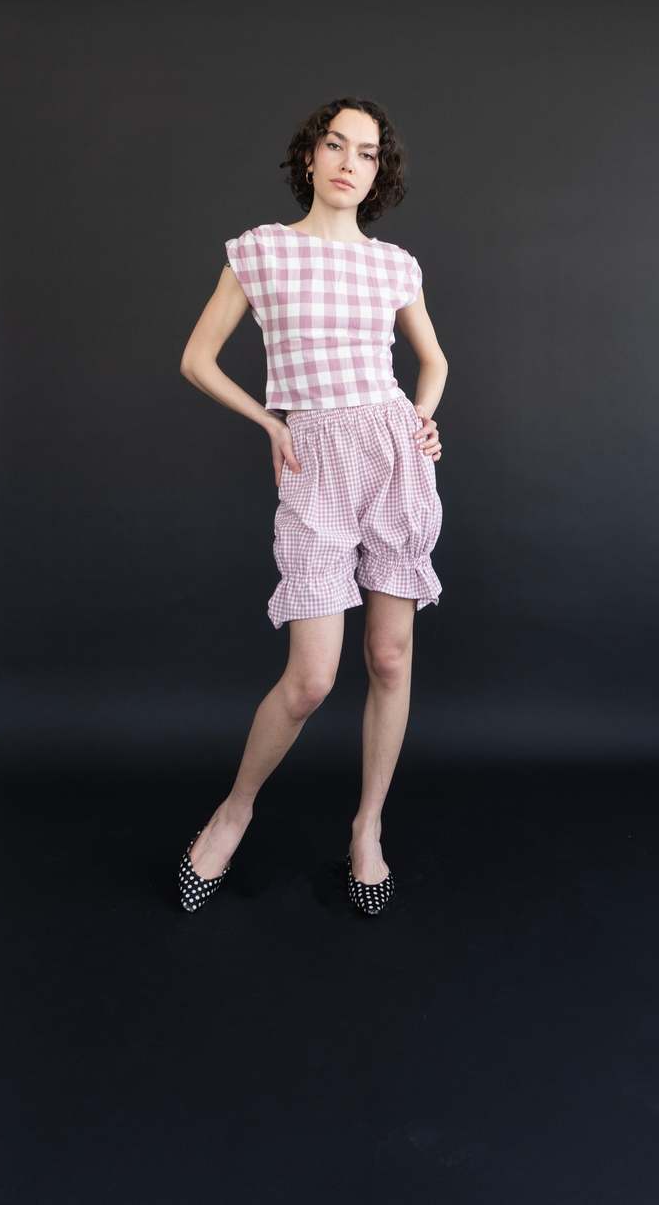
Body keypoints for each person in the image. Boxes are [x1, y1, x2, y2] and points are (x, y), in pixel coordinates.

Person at [176, 96, 448, 916]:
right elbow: (196, 358)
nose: (348, 163)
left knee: (390, 657)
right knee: (311, 678)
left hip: (393, 452)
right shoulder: (261, 250)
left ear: (377, 173)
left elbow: (432, 361)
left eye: (366, 153)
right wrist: (269, 420)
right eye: (335, 145)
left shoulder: (394, 264)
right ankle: (234, 812)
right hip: (315, 459)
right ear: (310, 156)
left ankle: (368, 829)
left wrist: (423, 419)